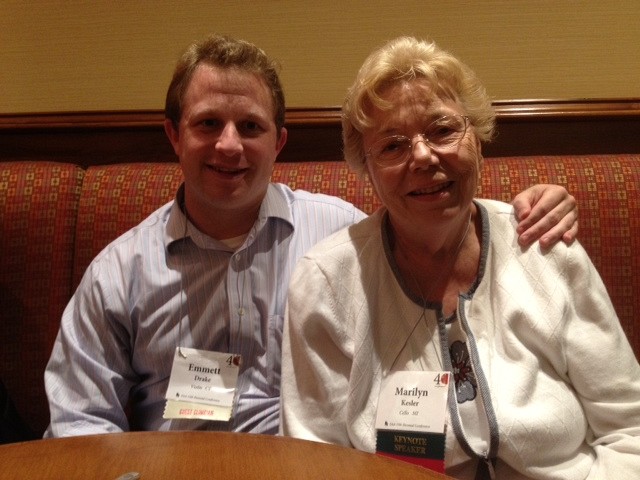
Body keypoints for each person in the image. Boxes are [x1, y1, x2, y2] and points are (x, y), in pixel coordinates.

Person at [44, 34, 577, 438]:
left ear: (278, 142)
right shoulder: (120, 273)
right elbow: (77, 422)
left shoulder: (342, 234)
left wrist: (527, 209)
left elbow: (438, 225)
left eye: (250, 127)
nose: (229, 146)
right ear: (173, 136)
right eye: (208, 124)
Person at [280, 36, 640, 479]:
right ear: (366, 170)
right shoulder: (328, 282)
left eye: (443, 130)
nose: (424, 156)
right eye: (392, 145)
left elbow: (629, 425)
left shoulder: (543, 244)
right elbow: (315, 458)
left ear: (479, 139)